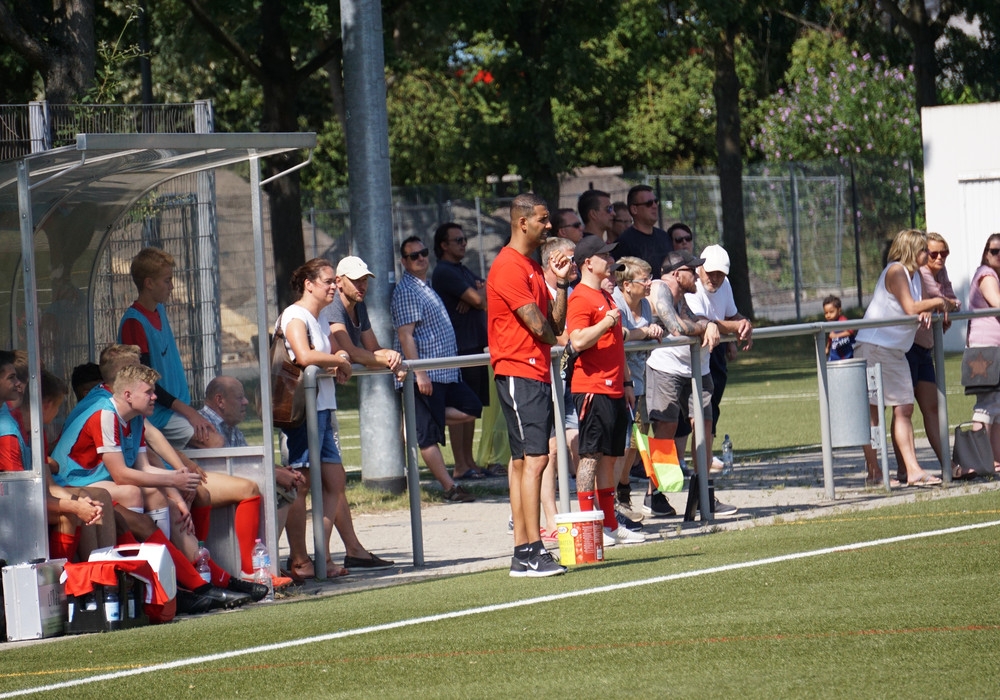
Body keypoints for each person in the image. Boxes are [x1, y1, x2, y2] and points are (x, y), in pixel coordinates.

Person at [51, 363, 254, 608]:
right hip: (75, 483)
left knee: (165, 500)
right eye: (149, 392)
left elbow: (144, 466)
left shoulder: (135, 415)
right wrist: (174, 479)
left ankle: (200, 581)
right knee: (133, 494)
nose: (155, 397)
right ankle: (170, 585)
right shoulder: (105, 413)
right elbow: (121, 475)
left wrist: (176, 492)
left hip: (101, 482)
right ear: (127, 394)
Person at [279, 258, 394, 580]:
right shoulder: (295, 315)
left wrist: (338, 359)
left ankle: (323, 556)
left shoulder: (318, 317)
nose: (333, 286)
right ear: (309, 284)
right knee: (300, 485)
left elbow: (335, 352)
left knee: (335, 482)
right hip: (302, 412)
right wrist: (338, 361)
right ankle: (299, 559)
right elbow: (304, 356)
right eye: (328, 281)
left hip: (323, 408)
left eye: (334, 281)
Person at [487, 192, 571, 578]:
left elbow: (553, 323)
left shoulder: (532, 266)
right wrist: (556, 336)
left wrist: (562, 284)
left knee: (525, 461)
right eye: (543, 219)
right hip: (519, 371)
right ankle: (530, 549)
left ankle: (524, 552)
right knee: (535, 460)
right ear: (522, 222)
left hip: (532, 372)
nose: (549, 225)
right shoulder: (508, 266)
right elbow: (539, 327)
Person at [856, 229, 957, 487]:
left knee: (904, 408)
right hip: (875, 346)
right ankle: (874, 473)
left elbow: (913, 308)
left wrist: (927, 309)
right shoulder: (896, 270)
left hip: (896, 350)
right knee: (873, 412)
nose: (928, 254)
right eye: (924, 249)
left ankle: (912, 471)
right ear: (911, 251)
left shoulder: (914, 276)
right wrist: (937, 302)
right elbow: (911, 306)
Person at [644, 250, 736, 517]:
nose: (696, 274)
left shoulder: (681, 296)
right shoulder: (660, 288)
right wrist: (707, 327)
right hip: (665, 367)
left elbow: (692, 319)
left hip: (696, 367)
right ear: (676, 274)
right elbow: (676, 327)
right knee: (665, 429)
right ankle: (654, 495)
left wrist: (709, 324)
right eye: (691, 270)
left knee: (705, 426)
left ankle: (705, 491)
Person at [566, 236, 645, 546]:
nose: (610, 262)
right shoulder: (580, 297)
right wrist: (606, 323)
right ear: (588, 263)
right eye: (604, 256)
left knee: (611, 458)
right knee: (590, 458)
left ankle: (610, 524)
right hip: (592, 388)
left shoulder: (606, 296)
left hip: (614, 389)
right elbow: (577, 340)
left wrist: (626, 383)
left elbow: (616, 345)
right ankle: (590, 525)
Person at [392, 236, 480, 501]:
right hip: (427, 374)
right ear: (403, 262)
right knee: (427, 436)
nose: (420, 258)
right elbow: (406, 335)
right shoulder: (407, 291)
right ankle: (449, 487)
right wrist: (419, 373)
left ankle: (420, 421)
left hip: (445, 372)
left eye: (423, 253)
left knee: (472, 408)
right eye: (413, 256)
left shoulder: (426, 286)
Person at [118, 247, 220, 449]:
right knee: (214, 442)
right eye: (167, 280)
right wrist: (189, 412)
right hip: (157, 413)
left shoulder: (159, 310)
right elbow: (145, 381)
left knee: (216, 434)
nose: (172, 286)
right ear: (149, 283)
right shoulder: (134, 323)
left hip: (174, 408)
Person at [430, 225, 493, 480]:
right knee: (461, 406)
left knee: (472, 406)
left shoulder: (462, 269)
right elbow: (480, 300)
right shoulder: (444, 271)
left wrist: (477, 293)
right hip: (459, 347)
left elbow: (485, 292)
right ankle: (460, 465)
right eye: (457, 240)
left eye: (464, 239)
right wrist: (475, 296)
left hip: (473, 345)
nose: (463, 243)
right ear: (443, 245)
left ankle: (470, 462)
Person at [685, 245, 753, 465]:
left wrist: (745, 324)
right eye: (711, 272)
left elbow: (732, 315)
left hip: (703, 363)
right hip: (676, 365)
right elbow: (703, 323)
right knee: (671, 427)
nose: (715, 278)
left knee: (705, 423)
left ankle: (702, 484)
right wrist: (737, 326)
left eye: (720, 274)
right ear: (700, 268)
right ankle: (658, 485)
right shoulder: (692, 285)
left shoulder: (725, 284)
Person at [611, 256, 663, 520]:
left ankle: (623, 489)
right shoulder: (615, 303)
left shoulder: (644, 304)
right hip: (619, 381)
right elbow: (617, 336)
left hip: (640, 381)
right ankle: (613, 499)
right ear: (627, 285)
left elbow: (639, 339)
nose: (650, 283)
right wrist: (644, 333)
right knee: (620, 443)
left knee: (635, 441)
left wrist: (654, 333)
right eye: (645, 279)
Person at [905, 233, 960, 474]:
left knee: (932, 408)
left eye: (944, 253)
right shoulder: (920, 273)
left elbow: (953, 301)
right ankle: (904, 469)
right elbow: (936, 300)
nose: (939, 258)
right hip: (908, 347)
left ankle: (948, 464)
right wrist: (939, 304)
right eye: (933, 253)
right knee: (903, 410)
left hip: (925, 349)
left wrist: (942, 305)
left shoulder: (941, 272)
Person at [324, 256, 404, 378]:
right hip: (308, 379)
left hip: (326, 380)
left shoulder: (359, 305)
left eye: (364, 280)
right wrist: (390, 363)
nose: (362, 286)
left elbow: (373, 349)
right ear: (339, 281)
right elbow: (351, 351)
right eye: (355, 280)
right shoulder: (333, 304)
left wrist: (391, 355)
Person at [966, 232, 1000, 467]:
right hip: (983, 350)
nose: (998, 255)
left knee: (996, 405)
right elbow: (998, 303)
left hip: (992, 349)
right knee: (986, 405)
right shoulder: (986, 274)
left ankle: (994, 459)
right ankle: (980, 459)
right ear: (986, 253)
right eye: (994, 251)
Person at [612, 185, 673, 276]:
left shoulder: (664, 237)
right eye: (649, 203)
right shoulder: (623, 244)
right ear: (634, 209)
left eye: (656, 202)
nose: (654, 206)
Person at [823, 295, 856, 361]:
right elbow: (831, 337)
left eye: (831, 312)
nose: (828, 315)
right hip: (834, 354)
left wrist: (836, 335)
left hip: (846, 355)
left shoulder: (842, 320)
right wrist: (827, 347)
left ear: (839, 310)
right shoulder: (831, 323)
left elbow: (851, 331)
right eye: (826, 313)